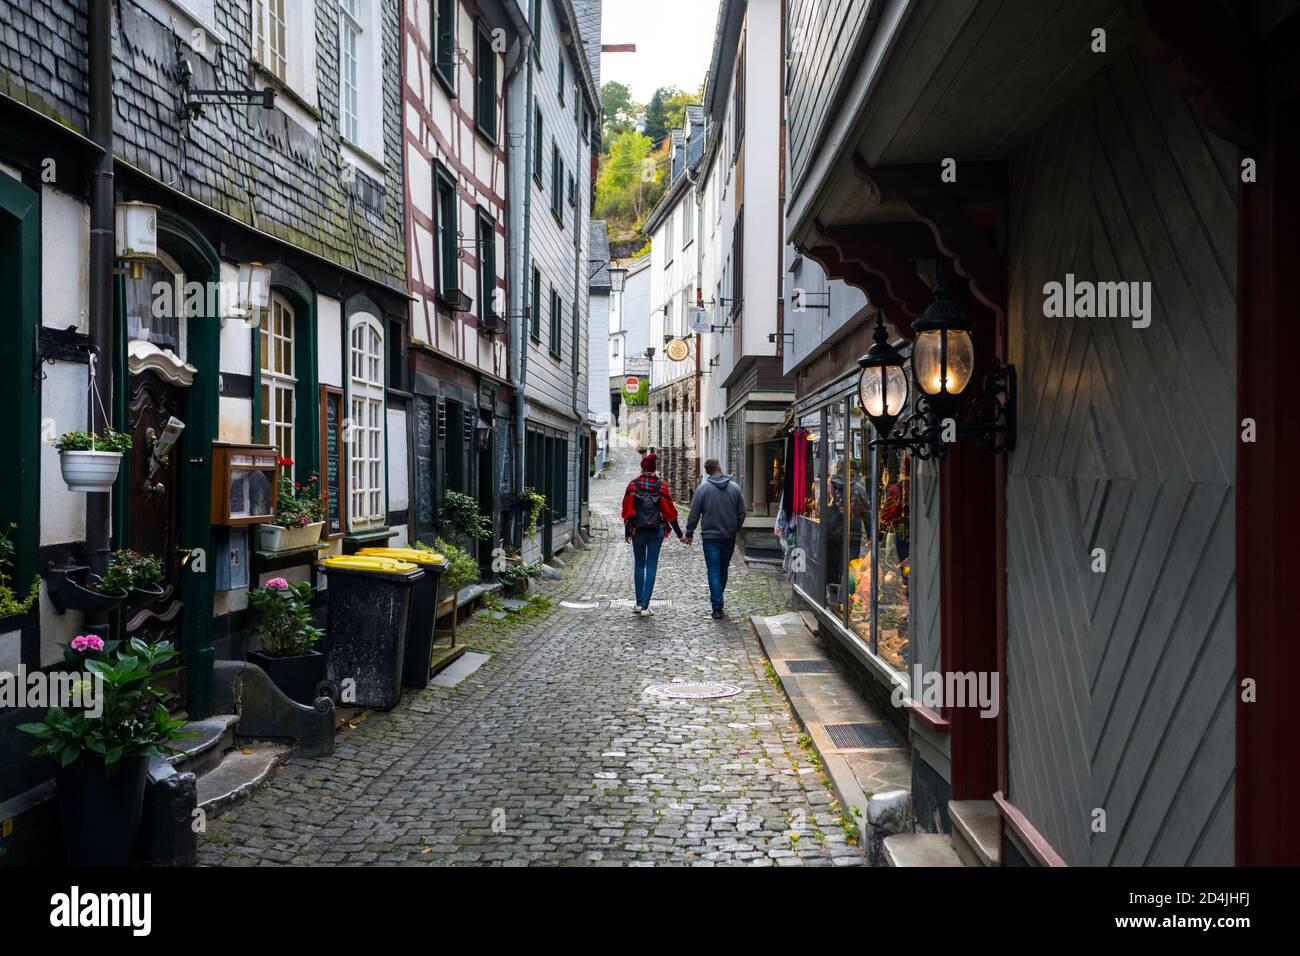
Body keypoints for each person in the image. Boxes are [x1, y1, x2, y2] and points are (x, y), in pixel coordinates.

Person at [621, 453, 684, 616]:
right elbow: (670, 513)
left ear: (642, 468)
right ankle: (645, 607)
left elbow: (627, 510)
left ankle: (638, 602)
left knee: (639, 565)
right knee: (651, 565)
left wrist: (627, 531)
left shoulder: (632, 485)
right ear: (654, 469)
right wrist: (680, 534)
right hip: (656, 530)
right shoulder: (661, 486)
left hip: (637, 530)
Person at [684, 458, 748, 620]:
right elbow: (742, 512)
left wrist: (689, 532)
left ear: (707, 471)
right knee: (723, 568)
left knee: (713, 570)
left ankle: (717, 606)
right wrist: (735, 527)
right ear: (719, 467)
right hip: (728, 535)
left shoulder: (702, 490)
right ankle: (718, 601)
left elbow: (694, 514)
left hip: (710, 536)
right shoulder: (735, 488)